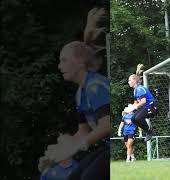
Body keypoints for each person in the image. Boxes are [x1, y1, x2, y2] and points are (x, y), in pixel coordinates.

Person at [38, 7, 110, 180]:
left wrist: (75, 147)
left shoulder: (95, 86)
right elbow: (83, 131)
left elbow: (107, 125)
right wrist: (59, 151)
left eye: (63, 60)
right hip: (106, 148)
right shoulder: (80, 93)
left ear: (80, 62)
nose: (59, 66)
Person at [127, 64, 158, 142]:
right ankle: (148, 131)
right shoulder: (135, 90)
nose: (128, 82)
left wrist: (134, 107)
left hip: (153, 107)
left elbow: (143, 101)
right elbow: (137, 102)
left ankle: (149, 131)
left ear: (134, 81)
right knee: (133, 118)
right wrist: (130, 107)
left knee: (138, 118)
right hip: (146, 107)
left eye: (129, 80)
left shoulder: (140, 89)